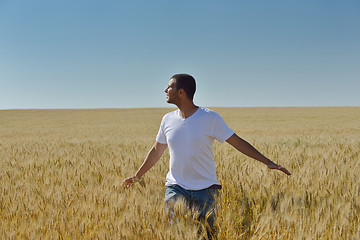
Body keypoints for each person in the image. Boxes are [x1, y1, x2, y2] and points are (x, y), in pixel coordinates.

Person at [122, 74, 291, 239]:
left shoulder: (210, 118)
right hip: (175, 188)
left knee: (207, 236)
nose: (165, 90)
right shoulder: (167, 119)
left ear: (181, 92)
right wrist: (138, 176)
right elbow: (157, 150)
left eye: (169, 86)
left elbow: (237, 142)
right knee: (175, 234)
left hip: (205, 191)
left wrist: (268, 162)